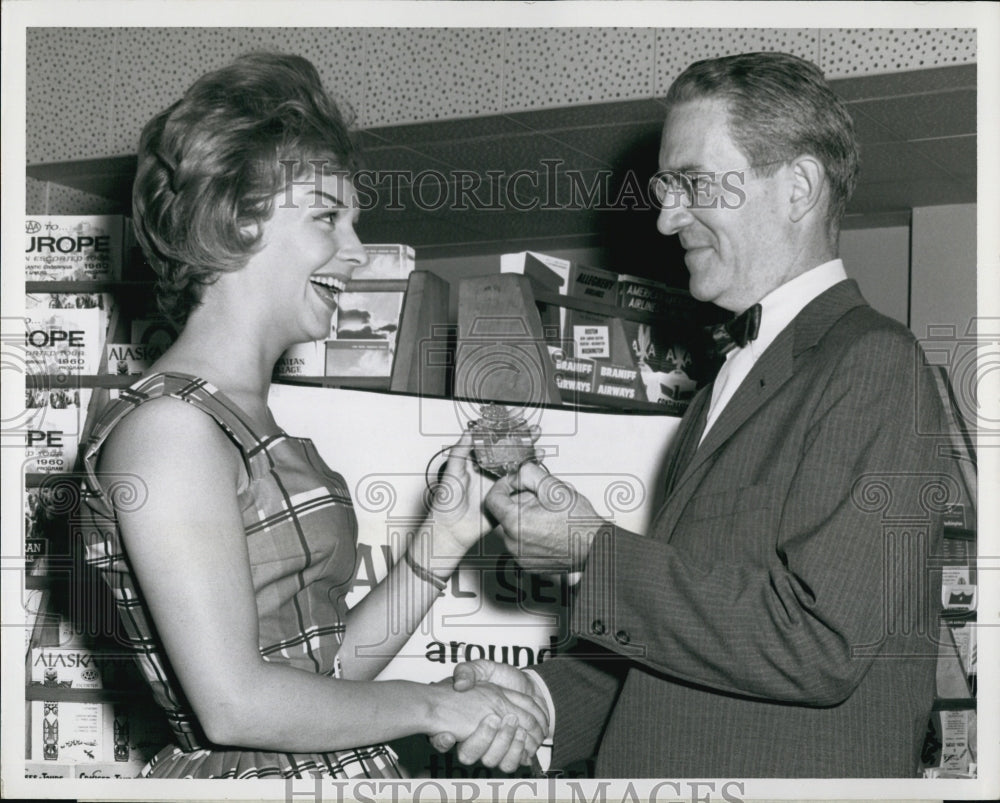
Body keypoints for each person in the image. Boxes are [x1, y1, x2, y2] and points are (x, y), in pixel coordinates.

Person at [433, 51, 963, 777]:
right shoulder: (723, 382)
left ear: (798, 187)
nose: (664, 215)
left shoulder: (873, 361)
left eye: (691, 183)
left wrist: (594, 549)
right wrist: (539, 698)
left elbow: (819, 642)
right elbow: (690, 634)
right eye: (664, 187)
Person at [77, 52, 546, 779]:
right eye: (329, 218)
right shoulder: (169, 430)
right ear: (236, 220)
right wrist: (433, 705)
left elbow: (324, 676)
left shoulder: (249, 426)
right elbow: (234, 705)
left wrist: (441, 541)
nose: (357, 254)